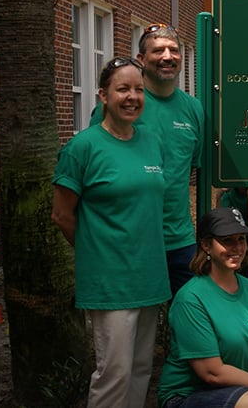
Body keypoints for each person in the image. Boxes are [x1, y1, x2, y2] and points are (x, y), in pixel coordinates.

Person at [52, 57, 169, 408]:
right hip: (110, 281)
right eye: (122, 89)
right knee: (113, 373)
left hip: (149, 276)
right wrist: (97, 251)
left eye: (138, 89)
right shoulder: (83, 148)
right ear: (103, 96)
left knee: (140, 369)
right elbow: (62, 215)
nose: (132, 96)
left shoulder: (151, 141)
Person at [90, 23, 204, 296]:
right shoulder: (120, 106)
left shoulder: (193, 109)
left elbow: (193, 171)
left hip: (179, 240)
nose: (167, 56)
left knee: (187, 319)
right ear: (141, 59)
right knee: (134, 321)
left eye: (173, 50)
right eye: (158, 50)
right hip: (129, 240)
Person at [157, 208, 248, 408]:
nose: (237, 247)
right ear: (206, 245)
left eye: (241, 239)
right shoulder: (191, 299)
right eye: (227, 240)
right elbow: (212, 373)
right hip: (187, 394)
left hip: (236, 388)